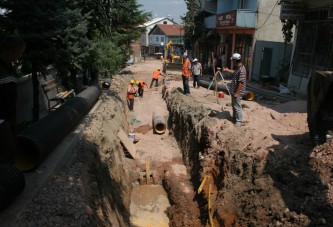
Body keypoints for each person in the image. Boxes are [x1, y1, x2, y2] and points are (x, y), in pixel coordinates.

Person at [0, 35, 26, 164]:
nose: (20, 56)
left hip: (7, 116)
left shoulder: (7, 66)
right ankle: (6, 181)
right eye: (20, 53)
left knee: (10, 149)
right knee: (7, 151)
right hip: (1, 118)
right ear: (12, 53)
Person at [223, 53, 247, 126]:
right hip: (234, 91)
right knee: (234, 106)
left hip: (237, 92)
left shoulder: (242, 69)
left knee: (237, 107)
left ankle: (239, 121)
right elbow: (234, 72)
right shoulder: (238, 68)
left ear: (235, 61)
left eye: (233, 61)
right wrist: (227, 70)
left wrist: (237, 93)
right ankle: (234, 118)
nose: (232, 62)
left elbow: (241, 83)